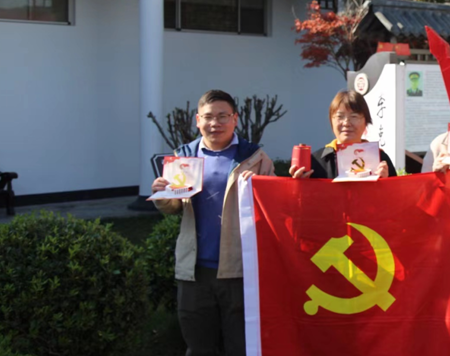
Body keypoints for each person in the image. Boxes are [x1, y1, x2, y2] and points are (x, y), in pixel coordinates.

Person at [152, 90, 275, 356]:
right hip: (195, 270)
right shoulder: (184, 157)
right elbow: (174, 207)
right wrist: (162, 195)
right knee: (199, 347)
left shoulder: (255, 158)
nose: (215, 123)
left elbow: (272, 208)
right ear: (198, 120)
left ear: (235, 119)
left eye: (222, 116)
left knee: (241, 347)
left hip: (239, 268)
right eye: (208, 117)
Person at [289, 89, 397, 179]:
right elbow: (301, 197)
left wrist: (385, 183)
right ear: (331, 121)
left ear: (366, 122)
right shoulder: (316, 161)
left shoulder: (380, 159)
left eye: (354, 117)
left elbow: (396, 196)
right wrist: (299, 184)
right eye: (340, 116)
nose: (346, 123)